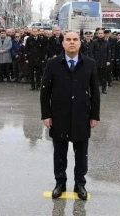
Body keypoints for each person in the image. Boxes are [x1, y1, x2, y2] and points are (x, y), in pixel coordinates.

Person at [40, 31, 100, 200]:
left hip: (82, 114)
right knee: (60, 152)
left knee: (81, 153)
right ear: (63, 44)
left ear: (80, 43)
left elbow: (95, 92)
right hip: (59, 115)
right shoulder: (53, 63)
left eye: (75, 40)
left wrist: (94, 115)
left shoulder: (89, 64)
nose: (72, 42)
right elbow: (45, 92)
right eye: (68, 40)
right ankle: (60, 183)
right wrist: (46, 115)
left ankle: (80, 184)